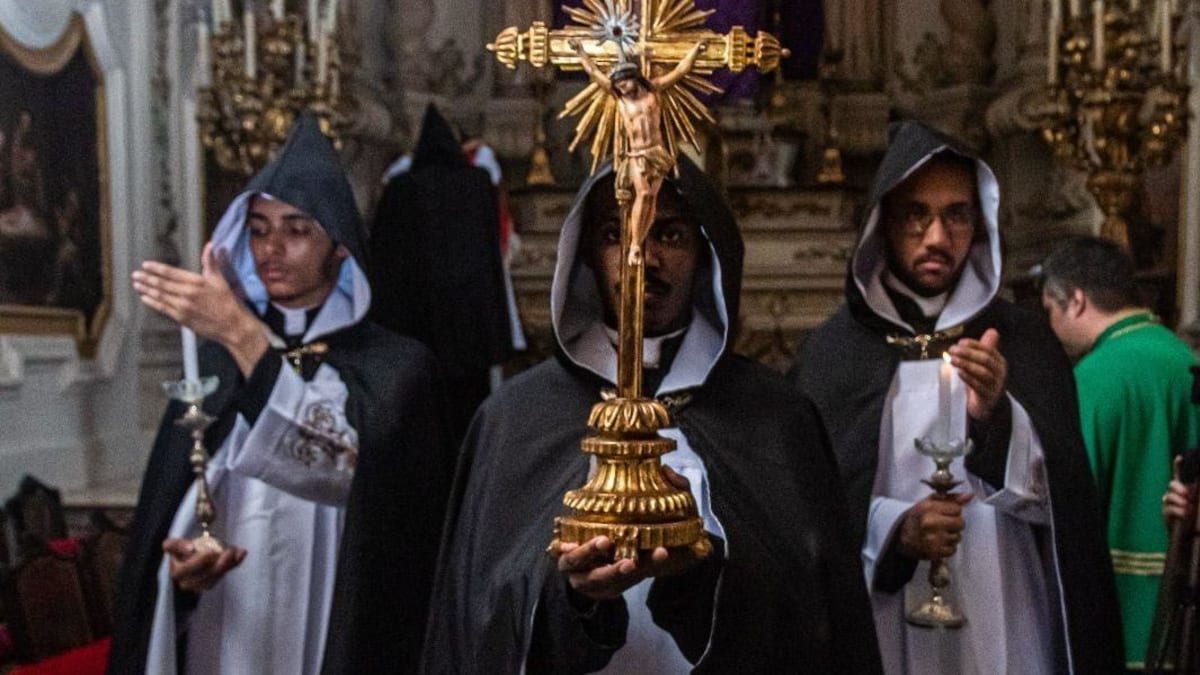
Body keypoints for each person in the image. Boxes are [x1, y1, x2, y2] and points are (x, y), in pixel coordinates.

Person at [421, 157, 882, 674]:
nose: (642, 256)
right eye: (615, 233)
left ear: (705, 253)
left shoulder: (775, 416)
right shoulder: (516, 418)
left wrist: (696, 579)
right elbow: (480, 617)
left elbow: (809, 618)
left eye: (670, 234)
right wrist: (576, 596)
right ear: (586, 254)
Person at [110, 112, 452, 674]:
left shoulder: (395, 368)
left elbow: (345, 474)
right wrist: (182, 575)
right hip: (228, 622)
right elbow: (177, 509)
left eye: (296, 230)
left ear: (339, 247)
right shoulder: (216, 365)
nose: (271, 248)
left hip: (335, 623)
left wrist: (242, 334)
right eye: (258, 228)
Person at [790, 120, 1123, 674]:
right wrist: (894, 531)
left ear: (981, 223)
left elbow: (1066, 508)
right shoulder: (833, 354)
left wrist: (998, 418)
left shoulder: (1023, 342)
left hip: (1004, 610)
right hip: (883, 619)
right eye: (916, 214)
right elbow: (809, 518)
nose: (937, 238)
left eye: (957, 215)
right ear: (883, 221)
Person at [1040, 235, 1200, 671]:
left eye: (1050, 310)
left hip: (1114, 610)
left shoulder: (1094, 376)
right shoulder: (1181, 356)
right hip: (1184, 605)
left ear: (1075, 301)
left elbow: (1068, 501)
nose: (1050, 328)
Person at [370, 104, 512, 444]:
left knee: (420, 421)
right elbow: (489, 255)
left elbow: (384, 258)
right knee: (467, 418)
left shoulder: (401, 188)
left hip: (414, 325)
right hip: (469, 325)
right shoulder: (477, 185)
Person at [571, 40, 704, 264]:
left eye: (624, 82)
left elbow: (680, 71)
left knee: (651, 199)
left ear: (633, 78)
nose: (622, 87)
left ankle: (640, 241)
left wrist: (695, 51)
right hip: (638, 154)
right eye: (618, 84)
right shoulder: (620, 99)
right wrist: (581, 52)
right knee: (642, 194)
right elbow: (594, 73)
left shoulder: (653, 91)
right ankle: (634, 246)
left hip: (657, 153)